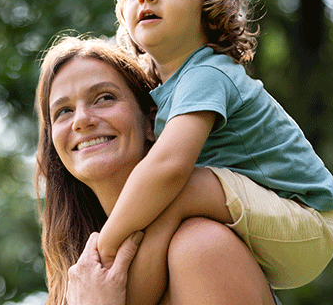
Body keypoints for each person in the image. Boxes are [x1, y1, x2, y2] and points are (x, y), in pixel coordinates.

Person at [94, 0, 333, 302]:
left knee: (178, 188)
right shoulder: (164, 87)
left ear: (209, 4)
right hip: (257, 224)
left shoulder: (207, 73)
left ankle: (115, 289)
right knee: (171, 206)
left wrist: (106, 244)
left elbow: (169, 166)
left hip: (306, 219)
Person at [35, 35, 277, 304]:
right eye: (63, 111)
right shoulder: (81, 284)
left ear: (151, 121)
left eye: (104, 98)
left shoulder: (200, 245)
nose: (81, 120)